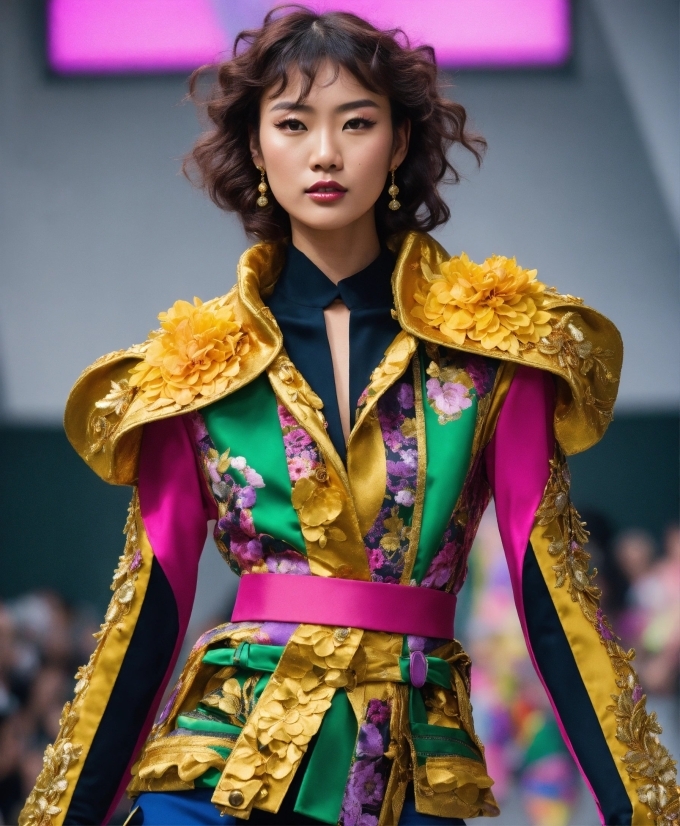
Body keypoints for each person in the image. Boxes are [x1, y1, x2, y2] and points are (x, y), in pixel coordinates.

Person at [20, 8, 678, 826]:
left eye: (357, 122)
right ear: (259, 147)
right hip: (218, 770)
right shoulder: (192, 371)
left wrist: (645, 811)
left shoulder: (497, 356)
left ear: (399, 143)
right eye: (293, 123)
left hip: (409, 769)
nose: (325, 152)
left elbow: (558, 602)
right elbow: (145, 614)